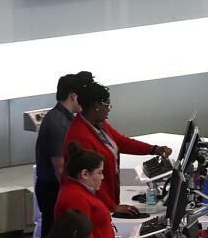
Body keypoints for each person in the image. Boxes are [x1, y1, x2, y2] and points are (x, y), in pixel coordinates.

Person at [60, 80, 172, 215]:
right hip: (94, 207)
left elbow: (122, 142)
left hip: (106, 201)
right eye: (107, 105)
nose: (109, 109)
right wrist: (113, 207)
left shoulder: (99, 124)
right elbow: (89, 179)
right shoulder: (80, 136)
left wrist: (153, 149)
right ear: (96, 106)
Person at [34, 71, 90, 238]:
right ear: (73, 96)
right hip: (53, 189)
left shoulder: (61, 118)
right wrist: (73, 193)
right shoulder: (58, 123)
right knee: (54, 235)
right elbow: (60, 167)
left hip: (53, 187)